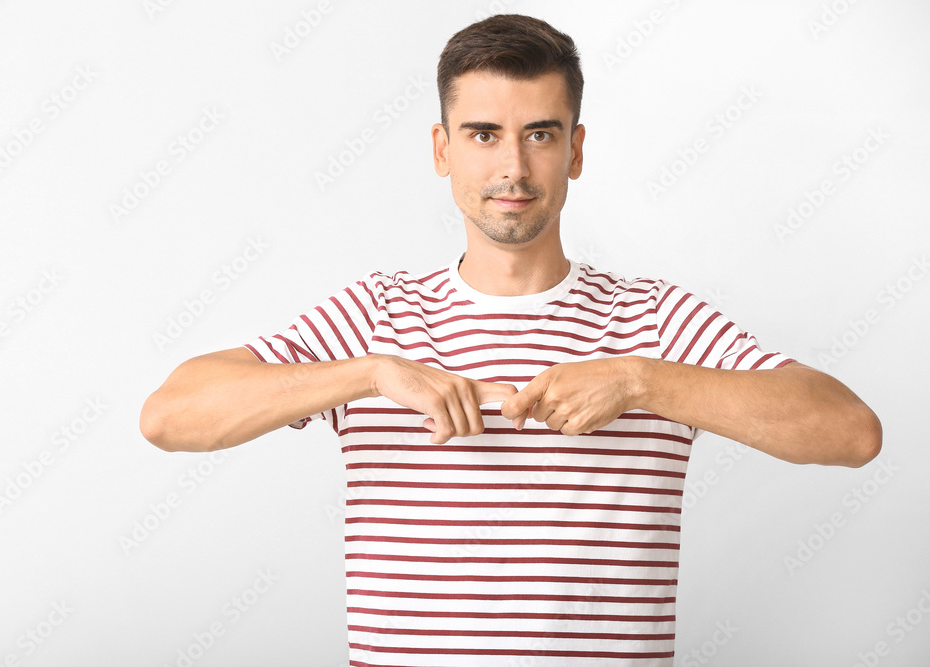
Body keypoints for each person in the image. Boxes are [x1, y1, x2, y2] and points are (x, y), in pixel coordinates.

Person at [140, 13, 882, 665]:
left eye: (540, 134)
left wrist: (640, 382)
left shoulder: (654, 321)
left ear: (576, 150)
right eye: (484, 134)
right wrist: (369, 375)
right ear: (442, 148)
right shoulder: (376, 316)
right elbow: (170, 415)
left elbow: (849, 431)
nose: (513, 167)